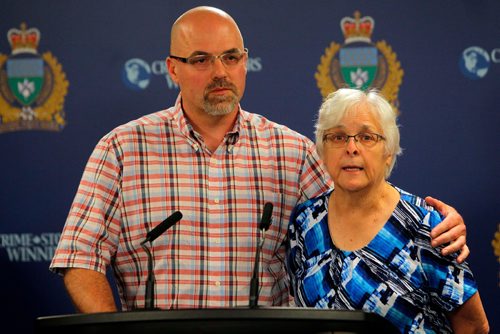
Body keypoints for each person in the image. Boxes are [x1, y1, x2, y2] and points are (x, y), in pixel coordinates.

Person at [50, 6, 468, 313]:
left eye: (231, 57)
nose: (220, 71)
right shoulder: (121, 150)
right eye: (201, 60)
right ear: (172, 70)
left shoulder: (293, 152)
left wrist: (428, 222)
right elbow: (79, 260)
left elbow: (358, 216)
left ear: (245, 62)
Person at [286, 88, 488, 333]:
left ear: (388, 152)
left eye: (367, 137)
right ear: (322, 150)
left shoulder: (425, 225)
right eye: (338, 137)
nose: (351, 148)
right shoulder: (305, 223)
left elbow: (474, 325)